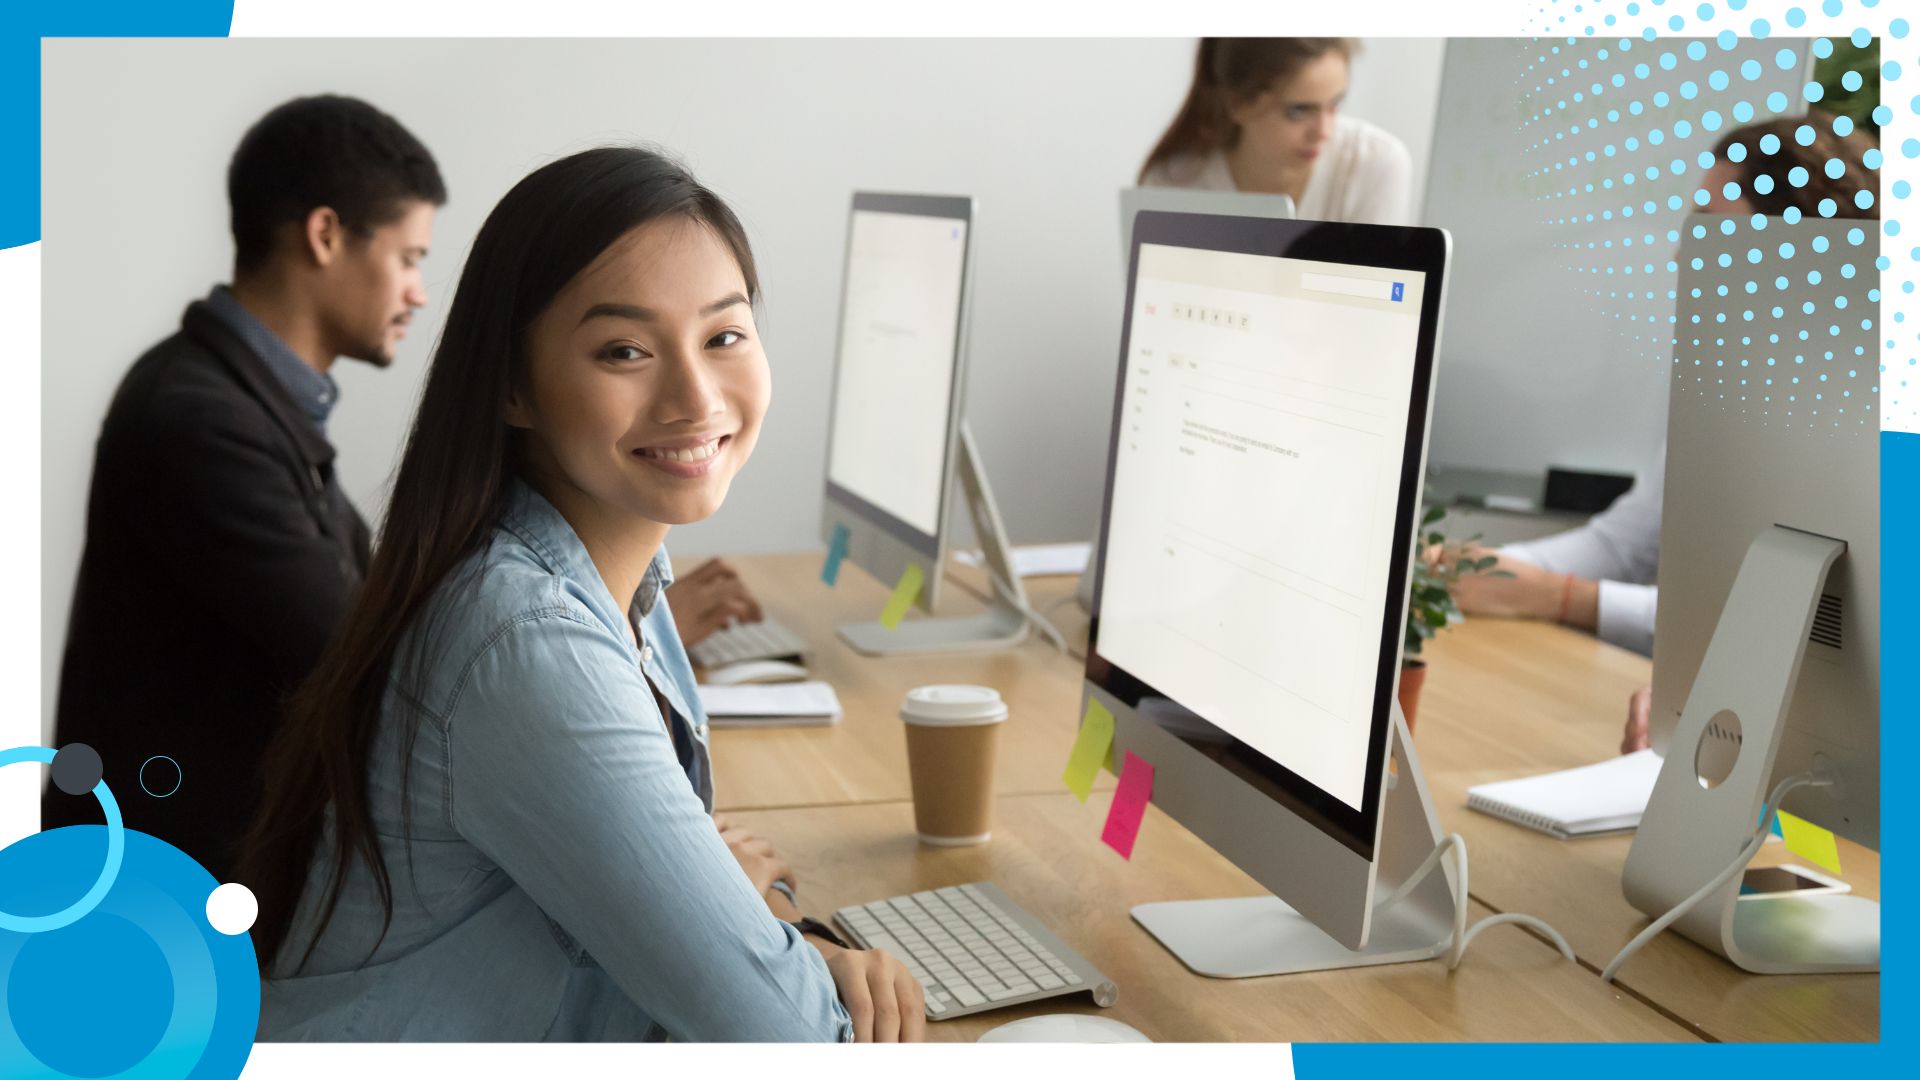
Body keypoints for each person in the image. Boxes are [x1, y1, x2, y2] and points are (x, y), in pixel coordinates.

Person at [239, 146, 922, 1042]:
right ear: (513, 386)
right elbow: (782, 1037)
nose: (694, 395)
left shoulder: (609, 576)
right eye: (624, 351)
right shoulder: (525, 638)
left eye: (724, 335)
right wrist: (794, 946)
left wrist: (770, 938)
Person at [44, 95, 445, 881]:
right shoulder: (198, 420)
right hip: (173, 906)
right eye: (409, 258)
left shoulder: (249, 400)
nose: (418, 293)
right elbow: (359, 656)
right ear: (326, 235)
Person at [1440, 111, 1879, 750]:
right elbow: (1624, 546)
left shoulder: (1874, 424)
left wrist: (1564, 598)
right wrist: (1485, 570)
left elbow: (1801, 635)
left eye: (1709, 228)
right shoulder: (1725, 388)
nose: (1681, 253)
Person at [1139, 38, 1414, 225]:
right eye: (1299, 111)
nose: (1324, 131)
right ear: (1237, 104)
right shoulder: (1174, 183)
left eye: (1335, 103)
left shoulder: (1376, 165)